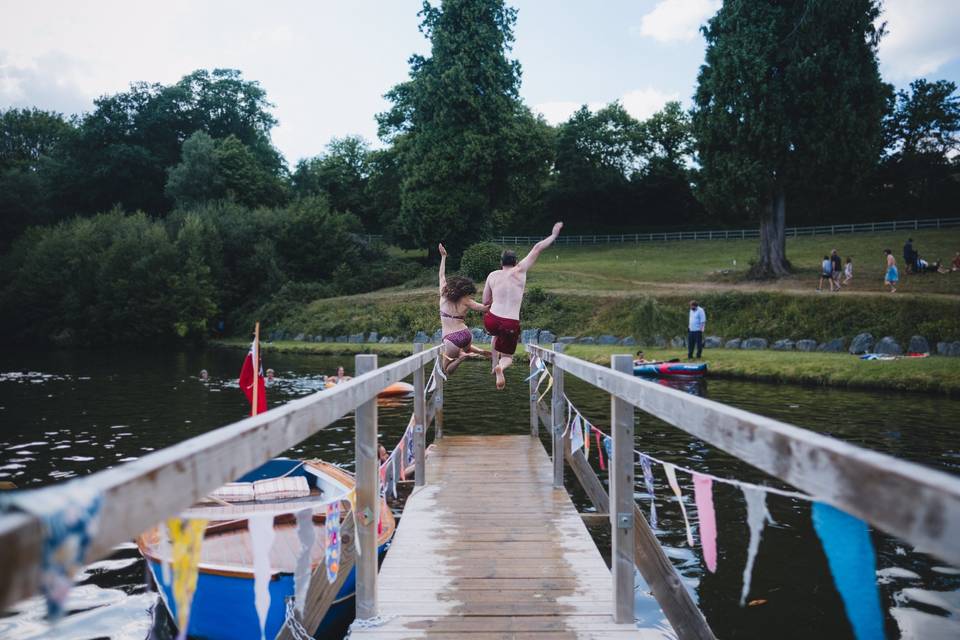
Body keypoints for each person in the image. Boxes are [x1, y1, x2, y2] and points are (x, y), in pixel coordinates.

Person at [483, 222, 564, 390]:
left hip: (491, 319)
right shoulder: (520, 271)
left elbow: (485, 301)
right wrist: (553, 235)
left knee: (495, 334)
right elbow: (537, 248)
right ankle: (500, 366)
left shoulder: (492, 275)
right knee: (508, 357)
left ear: (501, 262)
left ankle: (493, 363)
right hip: (510, 322)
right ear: (516, 261)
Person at [437, 243, 490, 375]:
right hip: (465, 334)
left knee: (447, 369)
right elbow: (485, 308)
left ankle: (462, 358)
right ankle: (477, 351)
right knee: (465, 348)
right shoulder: (466, 300)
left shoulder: (444, 294)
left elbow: (441, 275)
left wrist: (443, 257)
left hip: (450, 337)